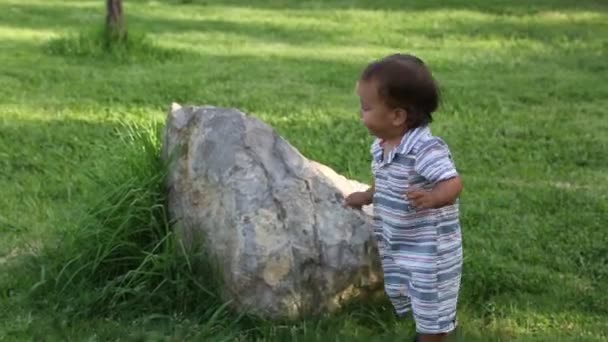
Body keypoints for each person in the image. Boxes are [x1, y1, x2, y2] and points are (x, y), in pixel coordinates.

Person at [345, 54, 463, 342]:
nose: (361, 114)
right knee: (407, 291)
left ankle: (434, 335)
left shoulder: (425, 149)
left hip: (429, 249)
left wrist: (434, 198)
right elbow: (386, 180)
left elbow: (453, 182)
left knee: (429, 299)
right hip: (402, 240)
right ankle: (441, 328)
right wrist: (367, 195)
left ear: (397, 116)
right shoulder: (382, 145)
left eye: (366, 108)